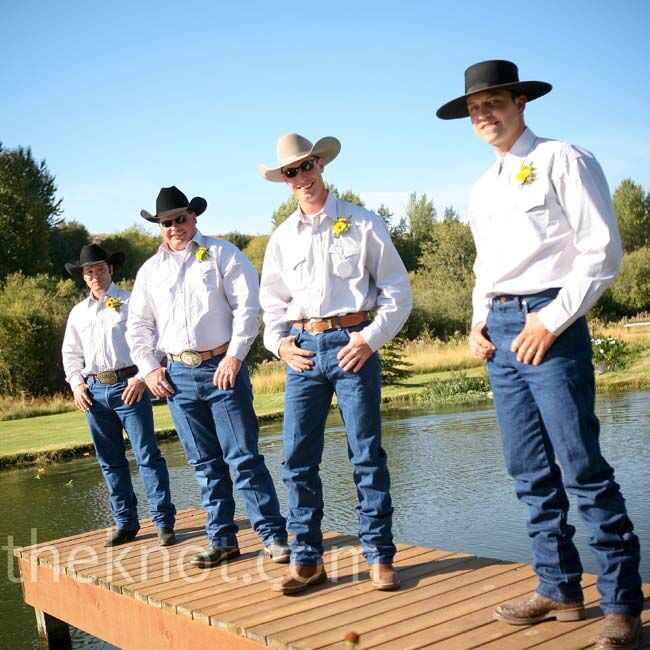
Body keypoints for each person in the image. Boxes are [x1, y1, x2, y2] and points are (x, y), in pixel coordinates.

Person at [437, 60, 643, 650]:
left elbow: (602, 253)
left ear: (521, 102)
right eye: (476, 108)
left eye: (494, 102)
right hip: (499, 330)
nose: (484, 114)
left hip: (549, 321)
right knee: (527, 470)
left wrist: (550, 321)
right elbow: (486, 268)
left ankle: (622, 604)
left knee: (581, 467)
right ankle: (558, 587)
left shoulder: (563, 159)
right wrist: (478, 323)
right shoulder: (483, 186)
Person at [258, 134, 412, 594]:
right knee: (297, 459)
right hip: (303, 351)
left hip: (353, 345)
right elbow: (272, 302)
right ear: (285, 182)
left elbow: (397, 292)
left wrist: (369, 339)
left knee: (366, 455)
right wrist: (278, 344)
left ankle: (379, 556)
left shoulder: (364, 223)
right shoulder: (282, 237)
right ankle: (306, 560)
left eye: (307, 167)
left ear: (321, 165)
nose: (301, 177)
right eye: (291, 172)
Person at [127, 186, 288, 567]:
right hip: (177, 376)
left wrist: (235, 357)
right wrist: (149, 369)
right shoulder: (149, 272)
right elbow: (138, 327)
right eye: (166, 222)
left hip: (222, 369)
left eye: (180, 219)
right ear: (159, 227)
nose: (174, 227)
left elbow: (248, 309)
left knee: (244, 457)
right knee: (203, 464)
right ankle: (223, 541)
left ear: (193, 218)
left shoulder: (221, 255)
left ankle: (273, 537)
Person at [62, 244, 176, 547]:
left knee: (147, 455)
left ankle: (163, 521)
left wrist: (142, 377)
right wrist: (76, 384)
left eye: (100, 269)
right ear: (83, 278)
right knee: (110, 460)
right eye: (89, 271)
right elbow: (71, 354)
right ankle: (126, 522)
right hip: (95, 392)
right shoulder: (78, 313)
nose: (95, 275)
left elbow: (157, 343)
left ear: (110, 270)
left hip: (130, 386)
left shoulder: (132, 302)